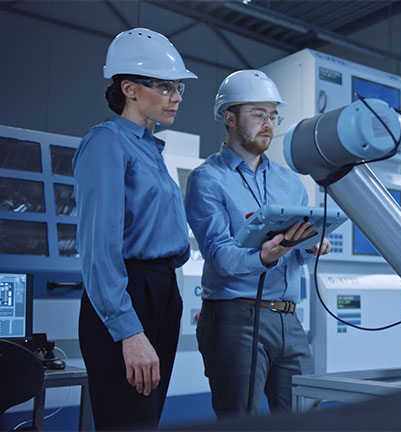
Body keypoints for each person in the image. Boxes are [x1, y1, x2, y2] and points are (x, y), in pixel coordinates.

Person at [185, 69, 331, 418]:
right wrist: (263, 257)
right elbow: (220, 256)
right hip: (236, 318)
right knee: (239, 418)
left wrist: (308, 249)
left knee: (306, 414)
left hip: (289, 320)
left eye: (273, 115)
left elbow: (292, 255)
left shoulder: (289, 182)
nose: (269, 123)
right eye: (258, 114)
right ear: (229, 117)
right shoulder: (207, 180)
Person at [73, 28, 197, 430]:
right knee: (128, 421)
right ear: (128, 88)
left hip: (162, 290)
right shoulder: (106, 143)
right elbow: (99, 248)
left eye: (177, 87)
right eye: (164, 86)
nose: (176, 96)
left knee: (147, 419)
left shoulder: (150, 148)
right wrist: (128, 330)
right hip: (129, 292)